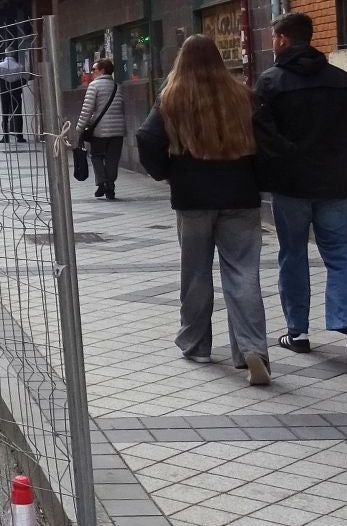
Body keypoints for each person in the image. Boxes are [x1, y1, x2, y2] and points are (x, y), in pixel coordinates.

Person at [136, 34, 271, 385]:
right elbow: (267, 142)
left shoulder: (171, 98)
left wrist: (166, 173)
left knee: (195, 273)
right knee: (243, 273)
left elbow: (147, 138)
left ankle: (196, 344)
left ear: (182, 61)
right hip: (240, 195)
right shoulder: (242, 95)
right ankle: (251, 349)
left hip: (192, 197)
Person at [254, 11, 347, 374]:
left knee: (293, 254)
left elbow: (262, 135)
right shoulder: (340, 80)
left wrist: (286, 162)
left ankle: (298, 331)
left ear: (283, 40)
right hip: (335, 183)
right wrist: (337, 158)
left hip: (291, 187)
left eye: (274, 37)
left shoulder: (270, 82)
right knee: (341, 256)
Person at [75, 57, 128, 199]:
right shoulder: (117, 86)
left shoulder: (94, 86)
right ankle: (110, 185)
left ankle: (102, 183)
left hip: (100, 130)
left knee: (96, 156)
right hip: (118, 130)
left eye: (94, 69)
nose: (91, 72)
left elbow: (87, 110)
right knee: (113, 158)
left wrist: (79, 128)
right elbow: (122, 109)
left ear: (102, 71)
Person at [0, 50, 31, 143]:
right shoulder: (20, 66)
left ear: (6, 53)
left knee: (5, 115)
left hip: (4, 92)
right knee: (18, 113)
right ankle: (19, 136)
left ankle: (6, 137)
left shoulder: (0, 65)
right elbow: (25, 79)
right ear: (14, 54)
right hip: (16, 92)